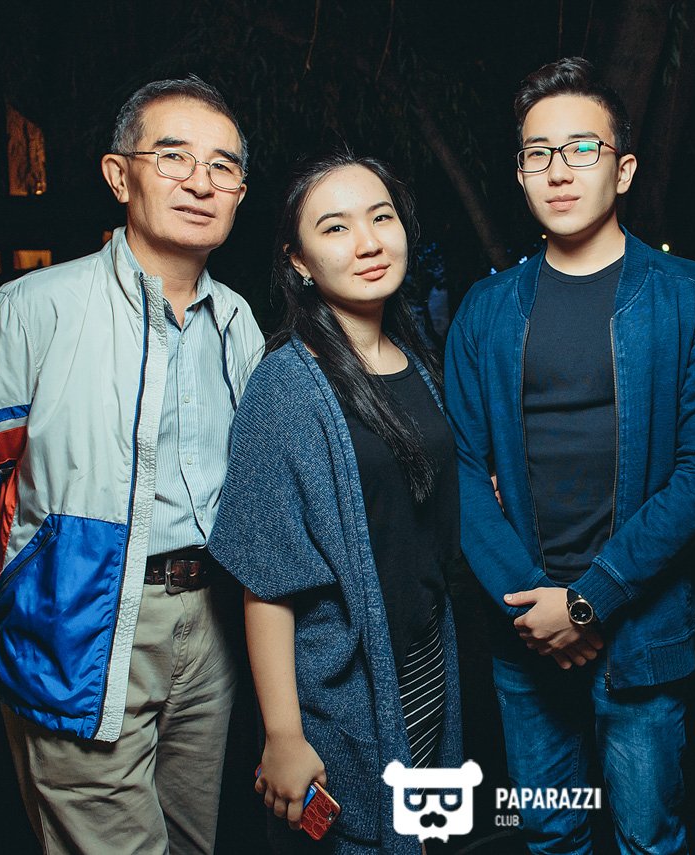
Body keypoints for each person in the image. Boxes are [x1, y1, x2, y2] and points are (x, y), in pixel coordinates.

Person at [0, 76, 265, 853]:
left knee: (192, 841)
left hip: (210, 623)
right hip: (79, 621)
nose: (201, 181)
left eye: (223, 166)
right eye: (173, 156)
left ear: (240, 193)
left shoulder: (237, 321)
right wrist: (16, 595)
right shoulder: (36, 307)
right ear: (119, 176)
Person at [444, 57, 695, 853]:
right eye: (538, 153)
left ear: (625, 168)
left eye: (583, 148)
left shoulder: (692, 297)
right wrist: (535, 607)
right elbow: (462, 471)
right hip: (525, 635)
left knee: (649, 837)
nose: (559, 169)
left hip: (642, 638)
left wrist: (589, 601)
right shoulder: (485, 311)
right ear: (520, 173)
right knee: (551, 836)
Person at [209, 149, 463, 854]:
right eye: (336, 227)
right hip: (342, 690)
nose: (369, 242)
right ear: (298, 262)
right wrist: (283, 734)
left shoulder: (413, 358)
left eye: (382, 217)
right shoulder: (285, 386)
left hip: (424, 664)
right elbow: (267, 577)